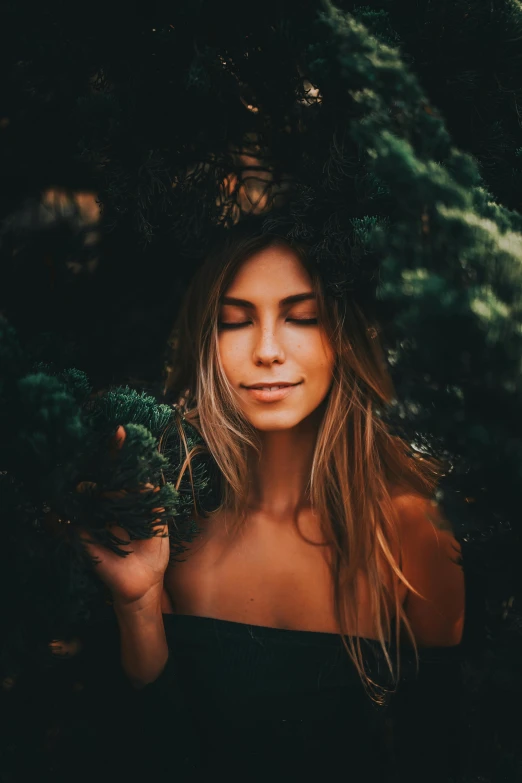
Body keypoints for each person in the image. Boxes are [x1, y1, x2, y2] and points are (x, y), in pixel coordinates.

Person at [80, 222, 466, 782]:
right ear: (206, 341)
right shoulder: (169, 517)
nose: (266, 351)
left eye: (302, 317)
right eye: (235, 321)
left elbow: (436, 754)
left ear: (345, 335)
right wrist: (138, 608)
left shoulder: (412, 527)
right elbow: (145, 755)